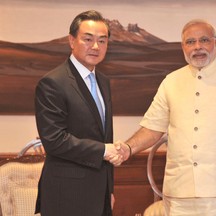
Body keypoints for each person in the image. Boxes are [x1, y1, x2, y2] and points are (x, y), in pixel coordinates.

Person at [114, 19, 216, 216]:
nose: (197, 47)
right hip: (180, 196)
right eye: (190, 42)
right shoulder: (170, 82)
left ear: (215, 43)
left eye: (204, 40)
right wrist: (128, 148)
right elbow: (152, 128)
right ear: (183, 47)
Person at [34, 10, 122, 216]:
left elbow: (104, 136)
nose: (95, 46)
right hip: (66, 194)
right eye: (88, 39)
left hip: (99, 195)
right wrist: (102, 150)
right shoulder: (53, 83)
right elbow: (54, 140)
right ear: (72, 41)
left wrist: (109, 189)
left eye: (102, 41)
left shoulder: (103, 81)